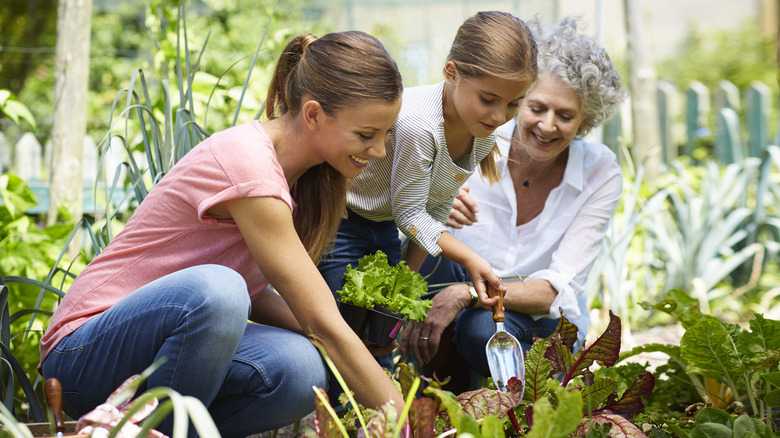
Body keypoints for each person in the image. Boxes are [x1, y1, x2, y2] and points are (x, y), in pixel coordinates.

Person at [39, 31, 406, 437]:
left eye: (386, 134)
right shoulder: (248, 165)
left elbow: (254, 297)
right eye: (366, 134)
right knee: (220, 290)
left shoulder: (305, 179)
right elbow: (311, 317)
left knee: (301, 369)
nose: (380, 151)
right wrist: (405, 421)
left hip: (167, 349)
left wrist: (343, 340)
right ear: (315, 114)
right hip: (83, 353)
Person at [400, 15, 628, 394]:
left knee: (481, 330)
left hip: (538, 318)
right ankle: (436, 393)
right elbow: (405, 214)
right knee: (432, 264)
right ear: (518, 101)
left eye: (566, 115)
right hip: (457, 284)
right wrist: (438, 199)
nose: (548, 125)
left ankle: (531, 403)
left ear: (586, 119)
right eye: (536, 108)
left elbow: (555, 292)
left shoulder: (599, 171)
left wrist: (467, 295)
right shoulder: (481, 135)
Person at [318, 11, 538, 314]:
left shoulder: (483, 133)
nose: (500, 117)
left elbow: (435, 210)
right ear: (451, 72)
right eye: (488, 99)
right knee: (340, 325)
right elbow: (409, 214)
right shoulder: (420, 125)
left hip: (383, 227)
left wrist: (405, 280)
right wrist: (469, 257)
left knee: (383, 326)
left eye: (514, 104)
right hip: (341, 222)